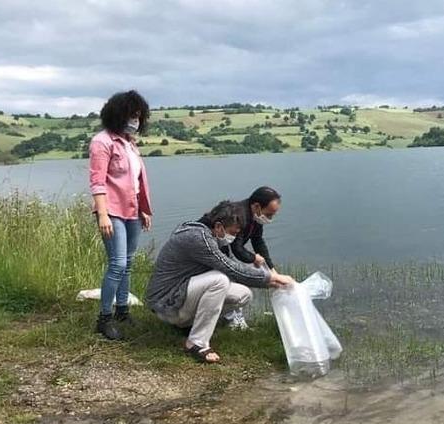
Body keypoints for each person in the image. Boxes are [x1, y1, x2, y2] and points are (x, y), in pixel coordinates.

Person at [146, 200, 294, 363]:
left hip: (180, 294)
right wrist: (271, 278)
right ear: (218, 226)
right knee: (219, 280)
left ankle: (189, 325)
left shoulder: (213, 237)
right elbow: (230, 268)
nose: (234, 237)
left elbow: (234, 265)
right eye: (233, 232)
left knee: (243, 295)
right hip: (166, 303)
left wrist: (269, 282)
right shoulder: (198, 238)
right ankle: (196, 342)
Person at [89, 90, 153, 340]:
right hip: (112, 211)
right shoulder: (102, 142)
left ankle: (122, 311)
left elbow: (137, 181)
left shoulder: (129, 143)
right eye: (131, 115)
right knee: (118, 264)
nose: (135, 120)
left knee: (128, 263)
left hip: (132, 211)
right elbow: (97, 182)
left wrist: (144, 209)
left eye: (139, 116)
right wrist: (102, 214)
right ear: (118, 114)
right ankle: (103, 319)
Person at [220, 186, 283, 330]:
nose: (270, 219)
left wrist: (271, 268)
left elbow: (258, 241)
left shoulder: (255, 217)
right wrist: (253, 258)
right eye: (269, 214)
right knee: (237, 280)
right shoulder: (239, 215)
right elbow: (236, 248)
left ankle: (231, 318)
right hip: (218, 253)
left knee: (240, 277)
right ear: (257, 206)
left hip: (226, 253)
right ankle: (234, 321)